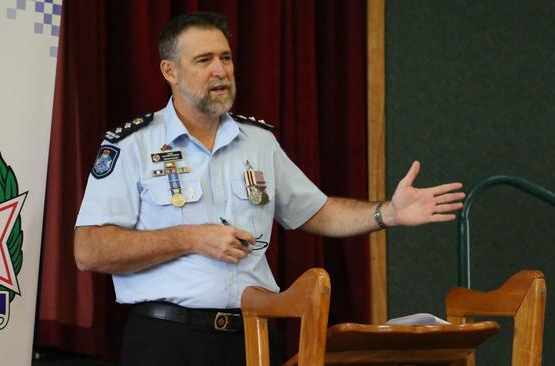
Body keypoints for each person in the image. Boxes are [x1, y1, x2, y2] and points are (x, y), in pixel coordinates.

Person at [74, 11, 465, 366]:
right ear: (169, 71)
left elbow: (317, 210)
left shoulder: (258, 141)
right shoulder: (132, 145)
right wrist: (191, 238)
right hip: (168, 341)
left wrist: (387, 213)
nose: (220, 71)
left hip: (253, 340)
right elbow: (89, 249)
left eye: (225, 58)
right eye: (203, 60)